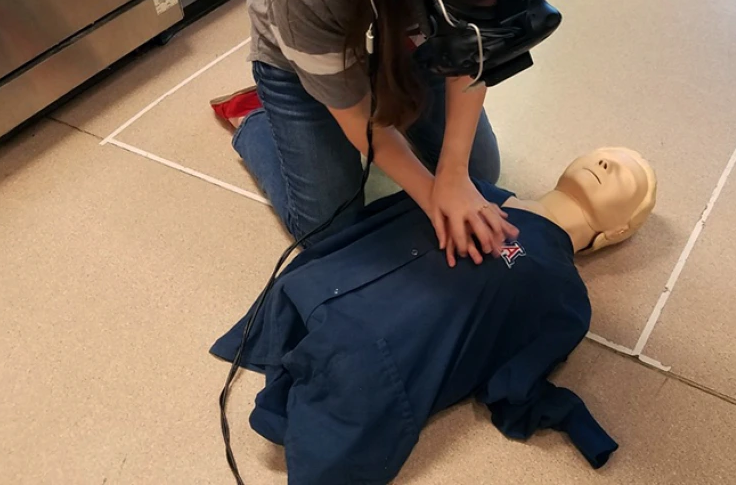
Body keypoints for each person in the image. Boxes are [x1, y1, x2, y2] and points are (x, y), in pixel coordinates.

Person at [211, 147, 658, 485]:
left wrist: (574, 419)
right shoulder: (471, 186)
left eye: (628, 175)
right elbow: (373, 225)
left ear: (617, 232)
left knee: (350, 384)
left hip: (368, 364)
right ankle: (261, 127)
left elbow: (512, 381)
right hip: (309, 292)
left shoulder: (566, 294)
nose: (607, 162)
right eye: (603, 154)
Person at [216, 0, 540, 265]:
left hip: (408, 45)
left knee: (480, 172)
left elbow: (472, 53)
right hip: (304, 66)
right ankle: (257, 121)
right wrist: (433, 196)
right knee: (330, 231)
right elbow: (358, 120)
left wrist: (455, 176)